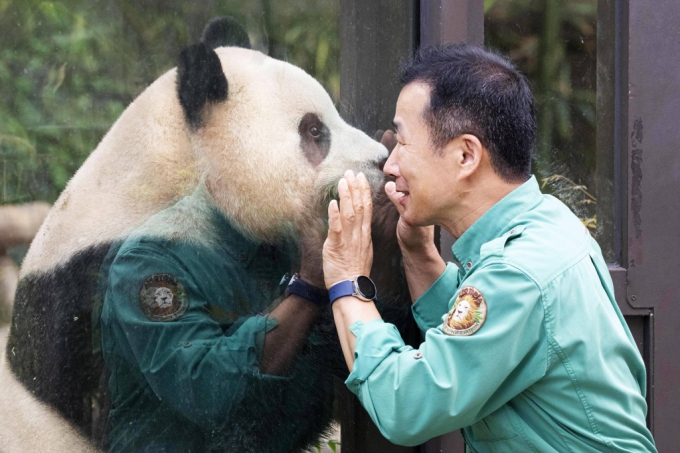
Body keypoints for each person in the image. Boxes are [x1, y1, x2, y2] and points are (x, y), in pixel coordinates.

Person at [323, 44, 657, 452]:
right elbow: (481, 343)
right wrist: (417, 252)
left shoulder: (518, 271)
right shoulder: (547, 221)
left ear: (466, 155)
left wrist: (346, 280)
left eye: (403, 143)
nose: (390, 165)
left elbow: (407, 406)